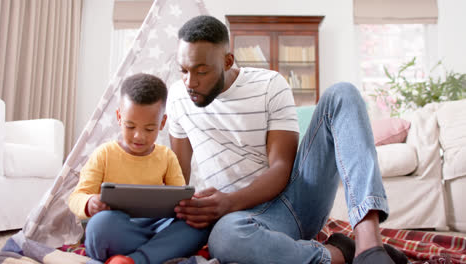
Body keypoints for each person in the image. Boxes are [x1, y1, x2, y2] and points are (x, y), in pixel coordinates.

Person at [168, 15, 406, 263]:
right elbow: (177, 176)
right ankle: (341, 253)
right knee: (225, 239)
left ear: (228, 61)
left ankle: (369, 247)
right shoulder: (176, 98)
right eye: (183, 70)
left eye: (202, 71)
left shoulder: (269, 85)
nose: (190, 82)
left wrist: (227, 202)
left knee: (342, 93)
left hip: (292, 203)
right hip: (241, 221)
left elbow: (281, 169)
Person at [68, 73, 210, 264]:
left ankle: (135, 259)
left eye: (149, 129)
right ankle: (155, 253)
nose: (138, 136)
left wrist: (190, 206)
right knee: (100, 225)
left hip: (156, 227)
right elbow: (76, 197)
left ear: (162, 123)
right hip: (119, 229)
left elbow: (180, 200)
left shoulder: (166, 156)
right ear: (119, 117)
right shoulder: (104, 154)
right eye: (130, 126)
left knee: (198, 224)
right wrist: (89, 202)